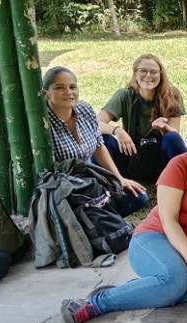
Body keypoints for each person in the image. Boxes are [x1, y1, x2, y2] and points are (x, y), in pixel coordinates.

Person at [60, 109, 187, 323]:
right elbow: (168, 220)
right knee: (174, 281)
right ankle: (95, 303)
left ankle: (145, 290)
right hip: (155, 237)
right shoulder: (181, 165)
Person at [43, 66, 148, 217]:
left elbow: (99, 146)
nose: (69, 92)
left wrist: (118, 179)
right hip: (65, 191)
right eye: (59, 88)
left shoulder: (84, 109)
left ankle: (99, 219)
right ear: (46, 93)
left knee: (137, 196)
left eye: (72, 87)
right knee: (93, 211)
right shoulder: (43, 124)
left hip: (91, 180)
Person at [97, 54, 187, 181]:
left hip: (160, 161)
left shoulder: (171, 94)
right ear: (135, 74)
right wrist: (117, 130)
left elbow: (175, 135)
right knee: (101, 139)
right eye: (143, 71)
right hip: (131, 155)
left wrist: (163, 127)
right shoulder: (124, 95)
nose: (148, 76)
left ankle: (185, 180)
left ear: (161, 75)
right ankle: (103, 182)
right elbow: (94, 124)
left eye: (154, 72)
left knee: (172, 137)